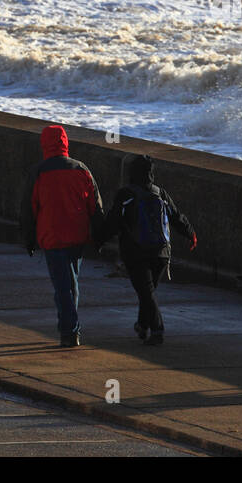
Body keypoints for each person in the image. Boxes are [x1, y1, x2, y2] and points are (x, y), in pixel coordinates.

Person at [96, 153, 196, 346]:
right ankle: (142, 325)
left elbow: (113, 222)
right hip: (161, 253)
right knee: (147, 292)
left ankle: (157, 329)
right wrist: (191, 234)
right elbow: (176, 217)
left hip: (136, 253)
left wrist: (99, 240)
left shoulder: (126, 194)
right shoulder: (160, 193)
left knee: (146, 292)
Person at [22, 125, 103, 348]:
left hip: (52, 235)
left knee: (61, 286)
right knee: (72, 283)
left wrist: (29, 239)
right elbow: (95, 206)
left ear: (44, 144)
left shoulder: (38, 172)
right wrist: (99, 237)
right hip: (77, 235)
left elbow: (29, 209)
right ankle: (69, 328)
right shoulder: (82, 169)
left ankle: (69, 330)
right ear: (65, 142)